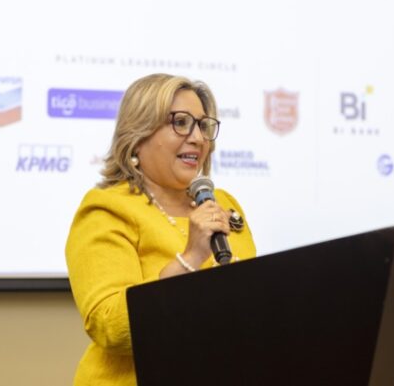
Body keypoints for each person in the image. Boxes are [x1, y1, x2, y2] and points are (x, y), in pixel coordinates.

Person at [65, 73, 257, 385]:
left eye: (203, 125)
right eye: (180, 122)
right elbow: (110, 326)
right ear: (137, 135)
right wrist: (192, 257)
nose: (197, 137)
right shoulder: (108, 209)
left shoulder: (223, 204)